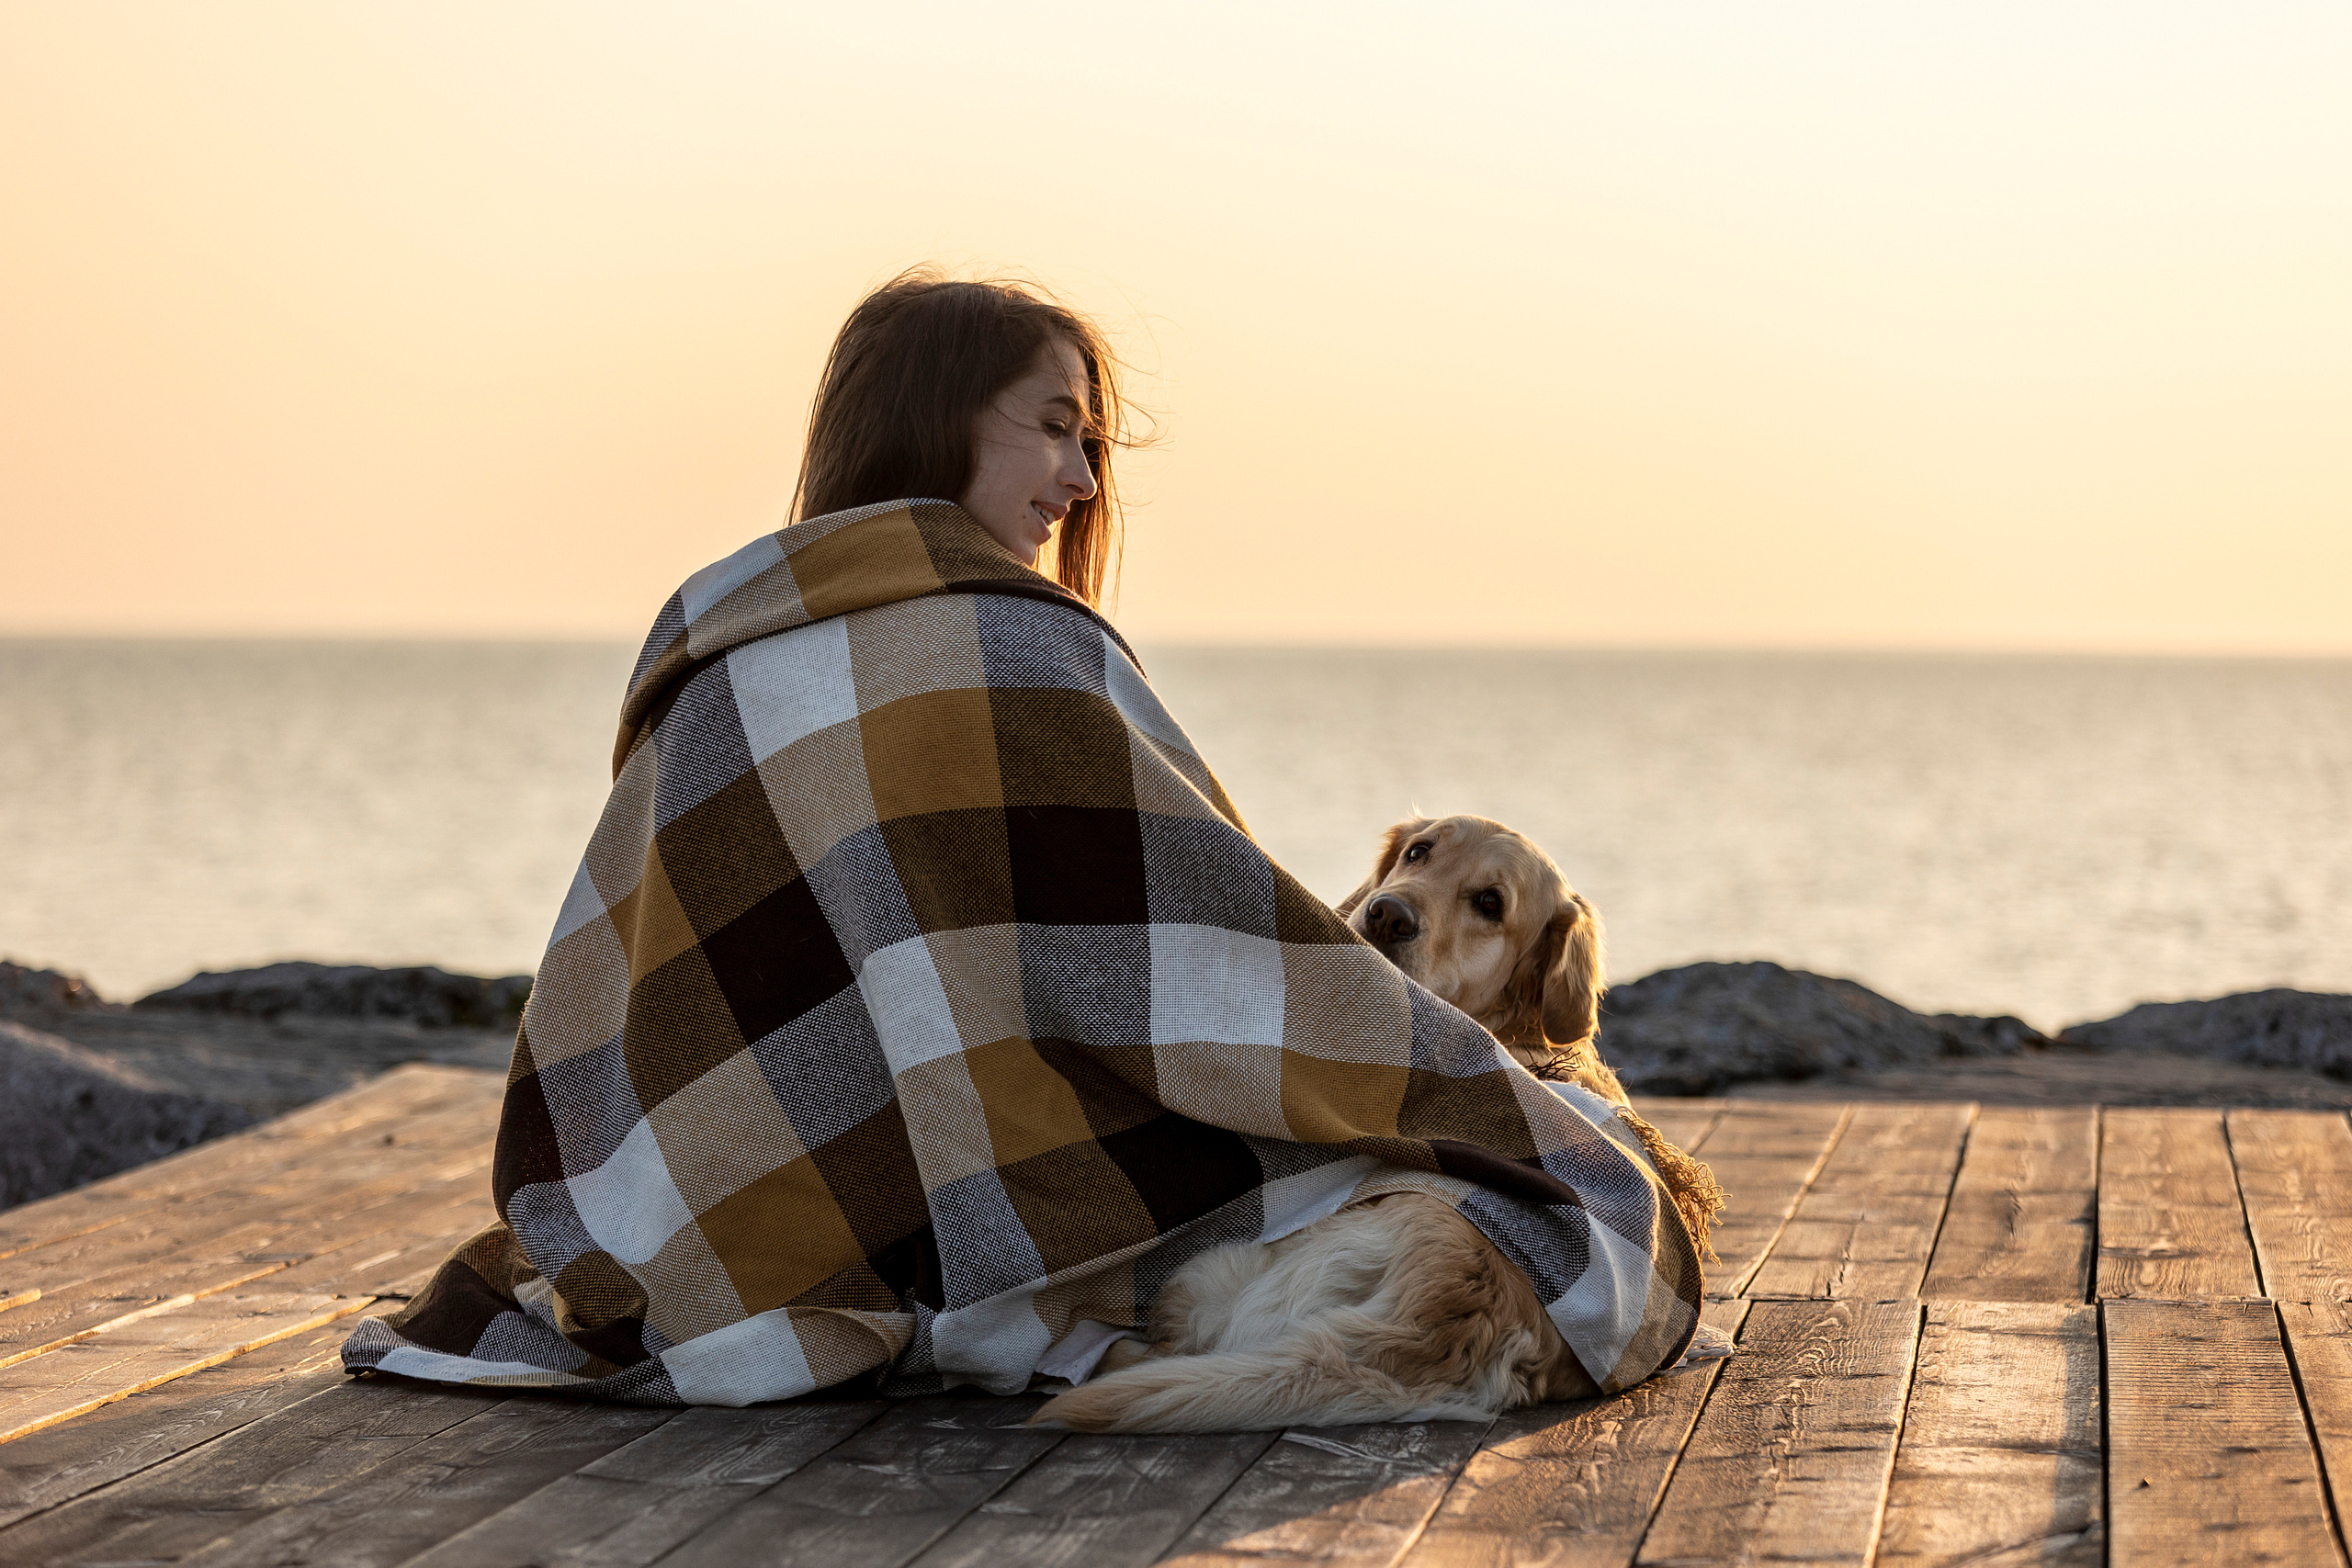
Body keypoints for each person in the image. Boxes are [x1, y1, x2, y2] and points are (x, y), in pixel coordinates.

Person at [343, 269, 1702, 1405]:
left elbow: (639, 990)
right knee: (1569, 1180)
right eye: (1053, 428)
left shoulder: (726, 637)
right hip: (1000, 1213)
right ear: (940, 418)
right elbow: (1216, 961)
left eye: (1090, 443)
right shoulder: (1018, 650)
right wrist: (1466, 1082)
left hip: (742, 1212)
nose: (1077, 476)